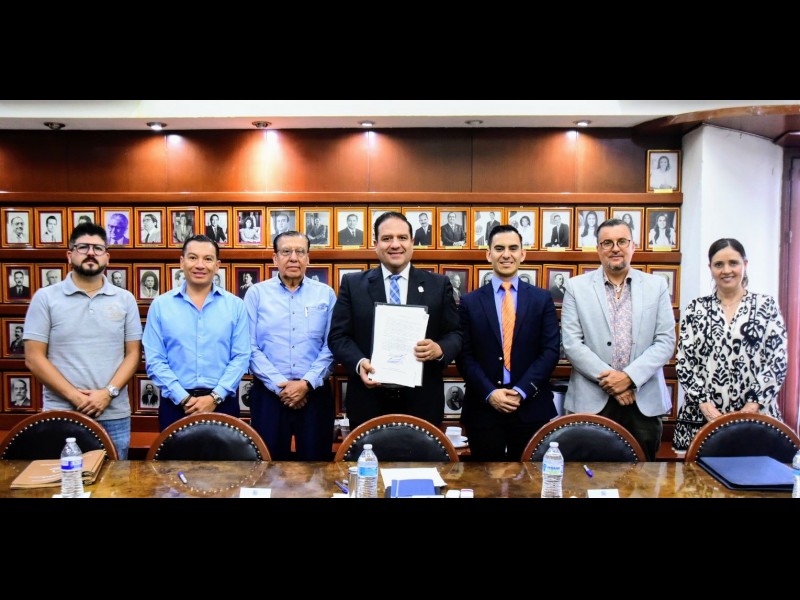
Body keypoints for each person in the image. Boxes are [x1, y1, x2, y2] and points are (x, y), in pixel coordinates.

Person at [329, 211, 462, 429]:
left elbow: (455, 333)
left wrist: (439, 349)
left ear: (412, 242)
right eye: (387, 238)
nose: (395, 244)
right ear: (375, 244)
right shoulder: (353, 285)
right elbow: (338, 336)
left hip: (422, 403)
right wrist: (360, 362)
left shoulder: (438, 285)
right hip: (368, 403)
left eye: (402, 238)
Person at [23, 222, 142, 459]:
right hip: (61, 412)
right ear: (70, 255)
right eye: (83, 247)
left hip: (113, 414)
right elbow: (34, 358)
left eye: (98, 248)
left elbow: (134, 354)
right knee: (60, 478)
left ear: (107, 257)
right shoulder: (45, 298)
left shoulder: (125, 299)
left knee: (116, 481)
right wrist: (76, 398)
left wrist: (107, 394)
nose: (90, 253)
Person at [560, 217, 675, 461]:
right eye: (607, 243)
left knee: (642, 478)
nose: (615, 248)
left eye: (622, 241)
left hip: (642, 401)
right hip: (592, 400)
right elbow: (571, 344)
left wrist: (629, 378)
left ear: (633, 246)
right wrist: (612, 381)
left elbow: (665, 341)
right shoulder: (576, 287)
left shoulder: (657, 286)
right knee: (587, 476)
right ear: (598, 248)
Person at [672, 238, 788, 452]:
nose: (726, 270)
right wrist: (705, 406)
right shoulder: (696, 308)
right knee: (697, 475)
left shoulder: (766, 306)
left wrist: (751, 406)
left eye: (733, 263)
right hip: (701, 418)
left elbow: (777, 361)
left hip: (756, 418)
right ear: (710, 268)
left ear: (745, 264)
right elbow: (684, 362)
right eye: (719, 264)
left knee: (757, 473)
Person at [456, 224, 560, 461]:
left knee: (530, 479)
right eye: (499, 248)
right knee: (484, 477)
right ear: (488, 254)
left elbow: (550, 351)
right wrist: (490, 392)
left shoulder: (541, 299)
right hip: (483, 408)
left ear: (523, 254)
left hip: (531, 406)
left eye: (513, 248)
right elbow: (464, 356)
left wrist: (521, 391)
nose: (506, 254)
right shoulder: (469, 302)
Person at [244, 230, 337, 460]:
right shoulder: (256, 294)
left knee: (316, 468)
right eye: (286, 252)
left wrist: (306, 384)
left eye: (300, 252)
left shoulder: (325, 294)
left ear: (308, 258)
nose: (293, 258)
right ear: (275, 258)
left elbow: (332, 345)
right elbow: (249, 347)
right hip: (269, 395)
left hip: (314, 394)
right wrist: (281, 387)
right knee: (268, 466)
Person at [142, 234, 250, 430]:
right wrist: (183, 398)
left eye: (207, 259)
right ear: (182, 262)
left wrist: (215, 397)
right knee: (175, 453)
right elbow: (155, 360)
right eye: (193, 258)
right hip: (175, 405)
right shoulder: (160, 306)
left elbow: (241, 357)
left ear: (217, 265)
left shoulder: (236, 306)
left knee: (224, 453)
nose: (200, 265)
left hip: (223, 403)